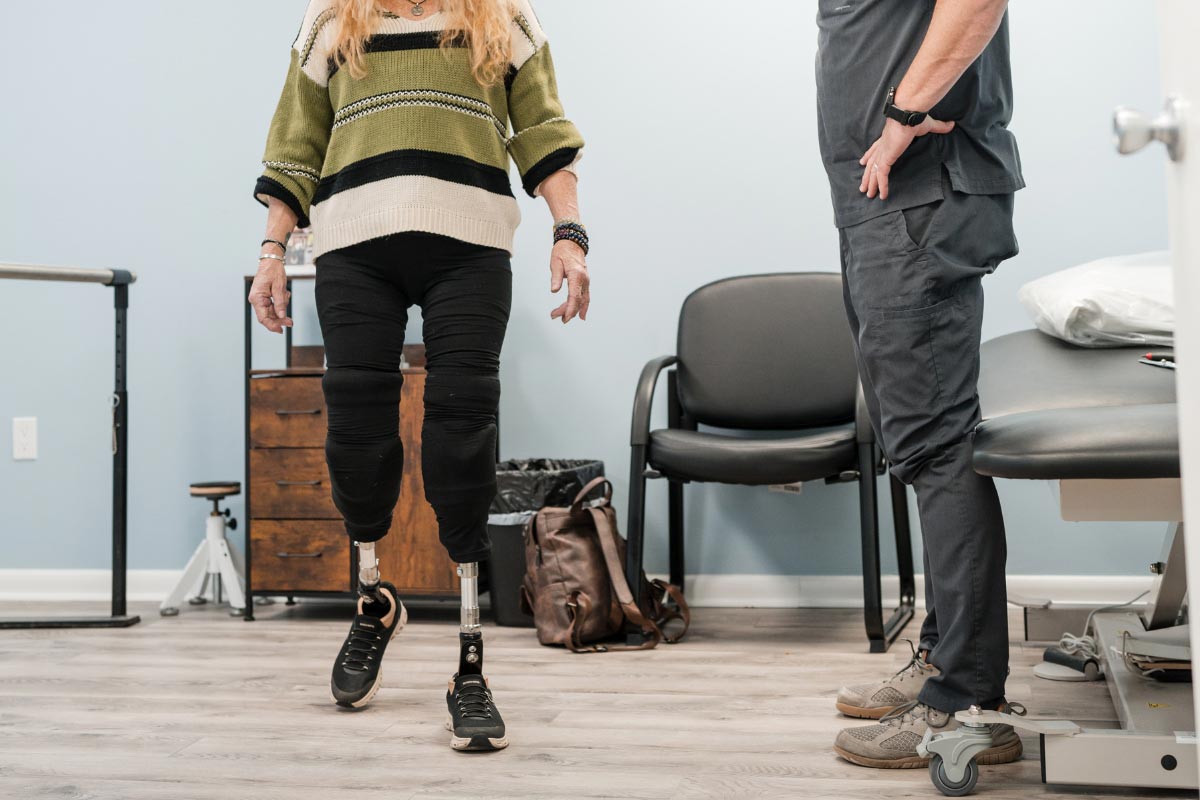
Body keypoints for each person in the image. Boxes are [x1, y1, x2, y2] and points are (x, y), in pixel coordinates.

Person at [248, 0, 587, 753]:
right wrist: (271, 251)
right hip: (352, 247)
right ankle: (375, 603)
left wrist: (569, 233)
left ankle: (469, 658)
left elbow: (542, 131)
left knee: (461, 435)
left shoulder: (502, 17)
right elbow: (295, 145)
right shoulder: (332, 19)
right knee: (357, 440)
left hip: (468, 245)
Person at [815, 0, 1026, 769]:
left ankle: (967, 700)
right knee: (922, 443)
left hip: (919, 192)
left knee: (937, 446)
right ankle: (944, 657)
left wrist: (907, 107)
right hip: (884, 203)